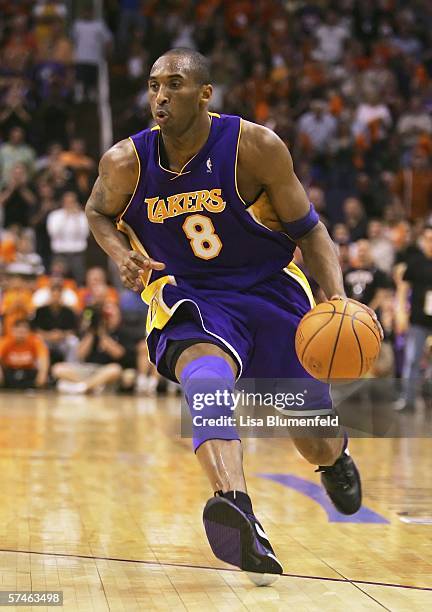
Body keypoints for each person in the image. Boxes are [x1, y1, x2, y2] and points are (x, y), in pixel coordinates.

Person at [85, 49, 382, 583]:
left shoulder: (255, 147)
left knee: (309, 429)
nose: (160, 96)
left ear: (205, 95)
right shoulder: (125, 162)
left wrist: (335, 297)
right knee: (205, 377)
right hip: (190, 294)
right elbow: (98, 212)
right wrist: (121, 255)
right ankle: (235, 505)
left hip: (269, 293)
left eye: (174, 84)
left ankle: (332, 458)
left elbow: (309, 231)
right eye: (154, 85)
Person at [394, 225, 432, 412]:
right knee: (412, 359)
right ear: (423, 240)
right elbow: (403, 288)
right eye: (428, 239)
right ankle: (407, 399)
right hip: (418, 319)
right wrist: (400, 311)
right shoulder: (416, 262)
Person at [0, 318, 49, 389]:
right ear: (12, 331)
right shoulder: (5, 341)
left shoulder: (35, 341)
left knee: (46, 379)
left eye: (23, 332)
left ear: (28, 331)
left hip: (29, 371)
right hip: (9, 371)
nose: (21, 335)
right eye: (18, 332)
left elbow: (43, 358)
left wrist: (42, 375)